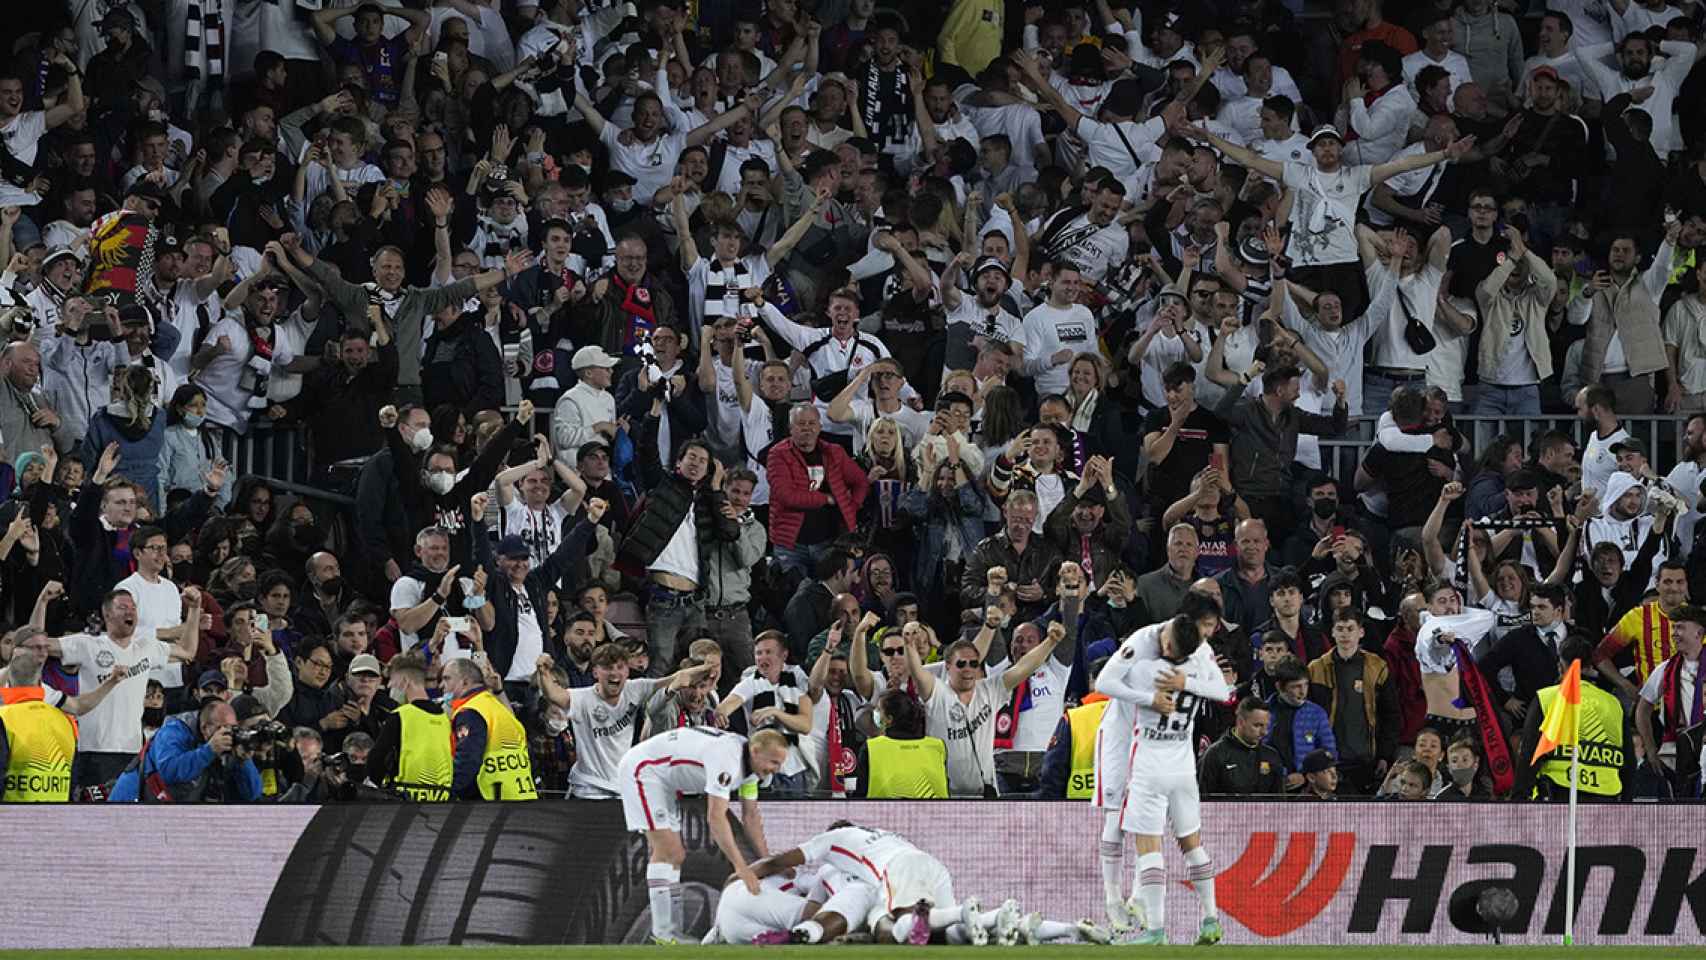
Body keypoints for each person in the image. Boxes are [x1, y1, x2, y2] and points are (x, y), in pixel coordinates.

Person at [1094, 608, 1232, 945]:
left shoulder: (1145, 668)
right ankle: (1211, 919)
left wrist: (1150, 699)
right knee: (1191, 844)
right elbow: (1224, 691)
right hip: (1184, 766)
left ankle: (1155, 930)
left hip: (1149, 766)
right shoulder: (1199, 667)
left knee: (1149, 848)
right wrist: (1188, 682)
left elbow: (1105, 683)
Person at [617, 726, 786, 943]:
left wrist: (768, 861)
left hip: (663, 779)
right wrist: (741, 868)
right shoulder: (728, 760)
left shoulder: (751, 773)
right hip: (643, 769)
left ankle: (671, 933)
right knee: (666, 850)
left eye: (779, 764)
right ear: (755, 751)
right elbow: (716, 818)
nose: (776, 770)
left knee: (676, 855)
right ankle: (664, 934)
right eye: (773, 762)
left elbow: (751, 817)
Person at [0, 647, 125, 801]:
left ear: (9, 683)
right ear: (40, 683)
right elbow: (73, 777)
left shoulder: (4, 718)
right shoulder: (67, 722)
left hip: (14, 818)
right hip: (57, 815)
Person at [107, 698, 264, 803]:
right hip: (133, 799)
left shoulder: (229, 741)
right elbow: (168, 771)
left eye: (232, 728)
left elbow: (252, 794)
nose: (226, 733)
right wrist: (209, 750)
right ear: (205, 728)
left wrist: (244, 761)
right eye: (221, 728)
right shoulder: (174, 731)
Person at [442, 658, 536, 801]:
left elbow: (467, 761)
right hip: (521, 794)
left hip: (490, 799)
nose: (442, 685)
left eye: (447, 679)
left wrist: (449, 795)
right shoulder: (497, 707)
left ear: (465, 682)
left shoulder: (471, 711)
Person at [367, 652, 452, 801]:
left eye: (392, 681)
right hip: (442, 799)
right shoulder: (445, 717)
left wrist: (384, 785)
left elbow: (376, 759)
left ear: (404, 681)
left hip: (406, 799)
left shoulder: (401, 715)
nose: (389, 686)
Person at [852, 686, 948, 799]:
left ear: (889, 719)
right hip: (933, 815)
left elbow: (859, 798)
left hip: (883, 815)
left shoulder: (871, 748)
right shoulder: (937, 746)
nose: (875, 713)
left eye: (878, 709)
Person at [1198, 697, 1287, 797]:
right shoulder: (1215, 754)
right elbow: (1203, 801)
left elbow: (1280, 803)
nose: (1264, 732)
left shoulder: (1272, 756)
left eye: (1267, 726)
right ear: (1240, 722)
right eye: (1258, 725)